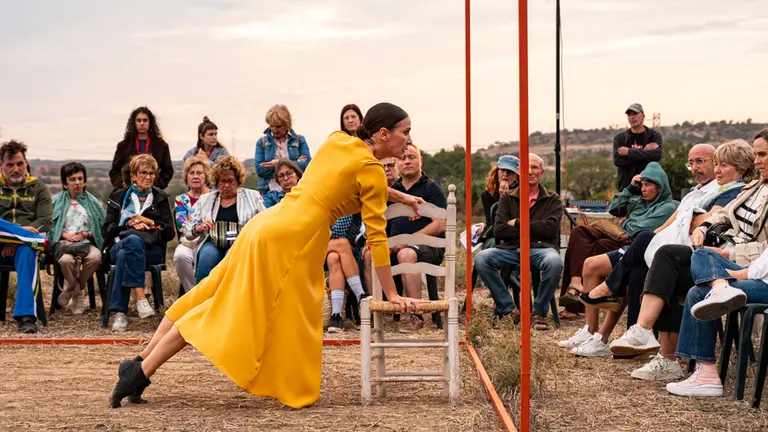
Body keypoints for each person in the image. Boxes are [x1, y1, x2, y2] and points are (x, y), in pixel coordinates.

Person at [108, 102, 427, 409]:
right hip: (291, 242)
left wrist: (403, 196)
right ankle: (139, 375)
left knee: (207, 294)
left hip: (266, 226)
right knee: (217, 312)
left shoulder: (338, 141)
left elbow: (360, 183)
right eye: (406, 131)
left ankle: (137, 363)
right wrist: (392, 293)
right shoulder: (370, 169)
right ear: (384, 134)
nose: (409, 139)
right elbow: (377, 236)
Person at [564, 141, 751, 358]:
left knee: (647, 251)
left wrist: (670, 227)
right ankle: (625, 339)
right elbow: (626, 212)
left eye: (719, 164)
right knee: (636, 264)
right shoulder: (696, 194)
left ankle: (613, 305)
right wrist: (632, 191)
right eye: (691, 163)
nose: (699, 168)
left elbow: (701, 221)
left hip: (702, 256)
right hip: (668, 247)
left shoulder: (728, 192)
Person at [608, 130, 768, 381]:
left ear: (739, 167)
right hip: (720, 257)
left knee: (670, 258)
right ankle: (651, 340)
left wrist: (726, 251)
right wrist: (705, 227)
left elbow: (763, 249)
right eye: (756, 154)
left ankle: (651, 337)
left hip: (741, 261)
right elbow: (723, 215)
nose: (758, 160)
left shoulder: (744, 189)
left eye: (762, 154)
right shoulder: (753, 188)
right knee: (665, 260)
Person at [559, 162, 676, 310]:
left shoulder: (668, 207)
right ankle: (576, 282)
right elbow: (614, 208)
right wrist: (630, 188)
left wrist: (625, 222)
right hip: (618, 237)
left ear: (659, 187)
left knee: (593, 247)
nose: (643, 189)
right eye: (642, 185)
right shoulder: (639, 201)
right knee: (579, 232)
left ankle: (576, 299)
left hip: (633, 247)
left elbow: (637, 231)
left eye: (647, 185)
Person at [474, 154, 563, 330]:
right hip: (512, 248)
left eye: (535, 167)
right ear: (519, 172)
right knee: (482, 258)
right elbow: (499, 229)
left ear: (542, 172)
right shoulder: (507, 198)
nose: (530, 172)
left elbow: (550, 229)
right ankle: (509, 309)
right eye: (526, 168)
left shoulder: (553, 199)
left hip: (541, 248)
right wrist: (536, 227)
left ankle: (538, 312)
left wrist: (517, 222)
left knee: (554, 262)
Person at [103, 155, 176, 332]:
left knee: (126, 253)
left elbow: (169, 232)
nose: (149, 177)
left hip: (150, 250)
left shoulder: (160, 198)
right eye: (144, 172)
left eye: (152, 173)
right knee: (130, 243)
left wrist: (149, 222)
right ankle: (141, 297)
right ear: (134, 175)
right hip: (118, 245)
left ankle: (120, 314)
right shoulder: (118, 197)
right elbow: (106, 230)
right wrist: (125, 223)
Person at [386, 142, 447, 332]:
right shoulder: (392, 192)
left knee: (406, 254)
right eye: (402, 158)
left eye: (411, 157)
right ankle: (381, 313)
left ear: (420, 160)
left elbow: (441, 224)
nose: (407, 161)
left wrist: (408, 241)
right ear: (397, 164)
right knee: (370, 255)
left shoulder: (431, 188)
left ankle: (416, 316)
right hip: (394, 244)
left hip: (429, 247)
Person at [184, 156, 266, 283]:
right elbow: (188, 230)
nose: (226, 185)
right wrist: (199, 228)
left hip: (240, 243)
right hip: (212, 242)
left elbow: (264, 222)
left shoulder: (252, 197)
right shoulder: (206, 199)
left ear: (238, 181)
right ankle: (202, 299)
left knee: (232, 256)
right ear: (216, 182)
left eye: (231, 181)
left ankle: (231, 299)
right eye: (222, 181)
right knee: (207, 256)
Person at [0, 140, 52, 333]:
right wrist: (16, 235)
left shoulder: (38, 188)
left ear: (26, 163)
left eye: (20, 164)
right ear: (1, 166)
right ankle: (47, 244)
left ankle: (26, 316)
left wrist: (17, 240)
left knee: (27, 249)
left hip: (25, 245)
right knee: (29, 242)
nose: (16, 169)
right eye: (10, 164)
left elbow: (44, 221)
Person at [48, 162, 106, 314]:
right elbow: (50, 226)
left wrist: (86, 234)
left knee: (95, 257)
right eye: (72, 179)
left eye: (80, 178)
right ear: (65, 184)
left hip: (86, 242)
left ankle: (71, 290)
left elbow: (102, 226)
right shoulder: (56, 202)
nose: (77, 182)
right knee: (66, 260)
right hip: (64, 243)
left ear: (85, 181)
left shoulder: (94, 202)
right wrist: (65, 235)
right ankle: (79, 293)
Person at [109, 107, 174, 190]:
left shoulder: (161, 145)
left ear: (150, 122)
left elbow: (168, 171)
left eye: (145, 120)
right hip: (128, 193)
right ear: (134, 122)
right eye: (139, 120)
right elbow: (114, 171)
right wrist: (123, 185)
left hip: (153, 193)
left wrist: (157, 186)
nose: (142, 123)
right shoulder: (123, 146)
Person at [173, 156, 212, 293]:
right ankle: (193, 295)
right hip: (189, 242)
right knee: (180, 256)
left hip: (210, 241)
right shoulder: (181, 200)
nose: (195, 176)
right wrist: (197, 228)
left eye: (199, 173)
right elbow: (182, 226)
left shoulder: (214, 196)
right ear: (186, 177)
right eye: (192, 173)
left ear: (206, 176)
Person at [254, 105, 312, 196]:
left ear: (287, 124)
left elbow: (307, 165)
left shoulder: (299, 140)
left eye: (278, 126)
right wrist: (295, 164)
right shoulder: (262, 143)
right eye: (271, 126)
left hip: (296, 191)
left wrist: (277, 163)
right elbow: (259, 169)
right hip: (269, 193)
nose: (274, 130)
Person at [612, 103, 662, 191]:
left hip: (650, 191)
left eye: (635, 114)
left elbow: (656, 155)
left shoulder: (654, 136)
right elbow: (618, 161)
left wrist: (629, 152)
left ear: (643, 115)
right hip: (627, 190)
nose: (632, 117)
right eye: (629, 115)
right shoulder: (620, 138)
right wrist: (644, 152)